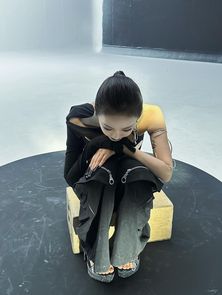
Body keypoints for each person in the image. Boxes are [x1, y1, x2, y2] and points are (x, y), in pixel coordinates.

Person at [64, 70, 173, 283]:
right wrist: (96, 143)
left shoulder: (151, 115)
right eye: (107, 128)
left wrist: (123, 148)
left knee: (137, 171)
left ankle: (127, 248)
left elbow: (166, 173)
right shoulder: (82, 118)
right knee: (103, 171)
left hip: (129, 177)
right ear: (98, 115)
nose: (115, 134)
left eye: (126, 128)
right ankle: (98, 254)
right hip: (98, 181)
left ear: (138, 117)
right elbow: (70, 176)